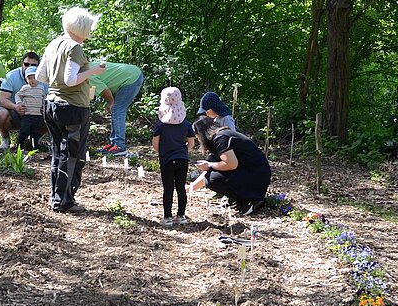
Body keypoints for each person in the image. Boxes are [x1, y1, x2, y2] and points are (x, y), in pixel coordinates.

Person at [36, 7, 105, 212]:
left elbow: (40, 76)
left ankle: (57, 198)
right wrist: (93, 70)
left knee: (58, 153)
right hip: (73, 108)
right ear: (83, 27)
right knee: (73, 155)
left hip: (51, 105)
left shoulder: (53, 44)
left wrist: (56, 80)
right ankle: (63, 202)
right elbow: (70, 79)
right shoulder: (75, 48)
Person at [188, 115, 271, 215]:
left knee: (213, 180)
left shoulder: (221, 138)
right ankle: (239, 199)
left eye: (197, 136)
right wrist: (191, 188)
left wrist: (210, 165)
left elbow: (231, 164)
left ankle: (251, 200)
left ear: (202, 133)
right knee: (210, 176)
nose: (198, 139)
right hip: (252, 173)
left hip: (256, 176)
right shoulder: (219, 137)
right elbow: (208, 170)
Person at [150, 87, 195, 227]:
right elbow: (191, 144)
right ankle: (181, 215)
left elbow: (155, 144)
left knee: (168, 188)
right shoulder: (186, 124)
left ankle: (167, 217)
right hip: (182, 159)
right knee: (181, 187)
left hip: (167, 160)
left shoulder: (160, 125)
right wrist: (182, 151)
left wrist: (163, 152)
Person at [90, 62, 144, 155]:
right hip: (130, 75)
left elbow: (104, 89)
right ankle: (113, 144)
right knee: (116, 110)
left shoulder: (87, 75)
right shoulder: (85, 69)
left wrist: (111, 102)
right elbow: (90, 94)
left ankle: (119, 147)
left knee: (118, 110)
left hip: (131, 78)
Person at [0, 52, 44, 152]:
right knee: (1, 114)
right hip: (14, 113)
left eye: (33, 65)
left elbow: (48, 98)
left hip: (36, 113)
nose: (29, 67)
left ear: (38, 66)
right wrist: (16, 106)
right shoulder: (11, 76)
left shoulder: (43, 78)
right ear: (22, 64)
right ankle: (5, 138)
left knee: (52, 115)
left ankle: (35, 140)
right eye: (26, 64)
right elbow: (2, 100)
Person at [15, 65, 47, 150]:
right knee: (24, 131)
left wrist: (44, 108)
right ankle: (19, 146)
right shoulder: (25, 88)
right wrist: (19, 103)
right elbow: (17, 95)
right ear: (26, 79)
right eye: (29, 78)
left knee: (36, 132)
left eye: (34, 77)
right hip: (27, 114)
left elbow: (44, 98)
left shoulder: (41, 88)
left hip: (38, 115)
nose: (32, 80)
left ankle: (34, 147)